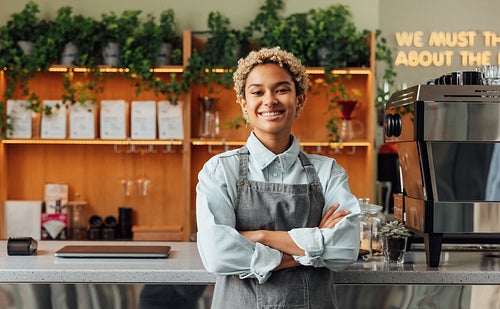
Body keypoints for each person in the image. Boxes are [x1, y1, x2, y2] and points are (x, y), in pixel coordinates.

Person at [196, 47, 360, 308]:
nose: (269, 100)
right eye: (257, 92)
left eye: (281, 90)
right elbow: (219, 254)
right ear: (243, 103)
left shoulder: (328, 172)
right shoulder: (219, 171)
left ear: (300, 99)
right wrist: (315, 242)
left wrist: (258, 237)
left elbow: (345, 248)